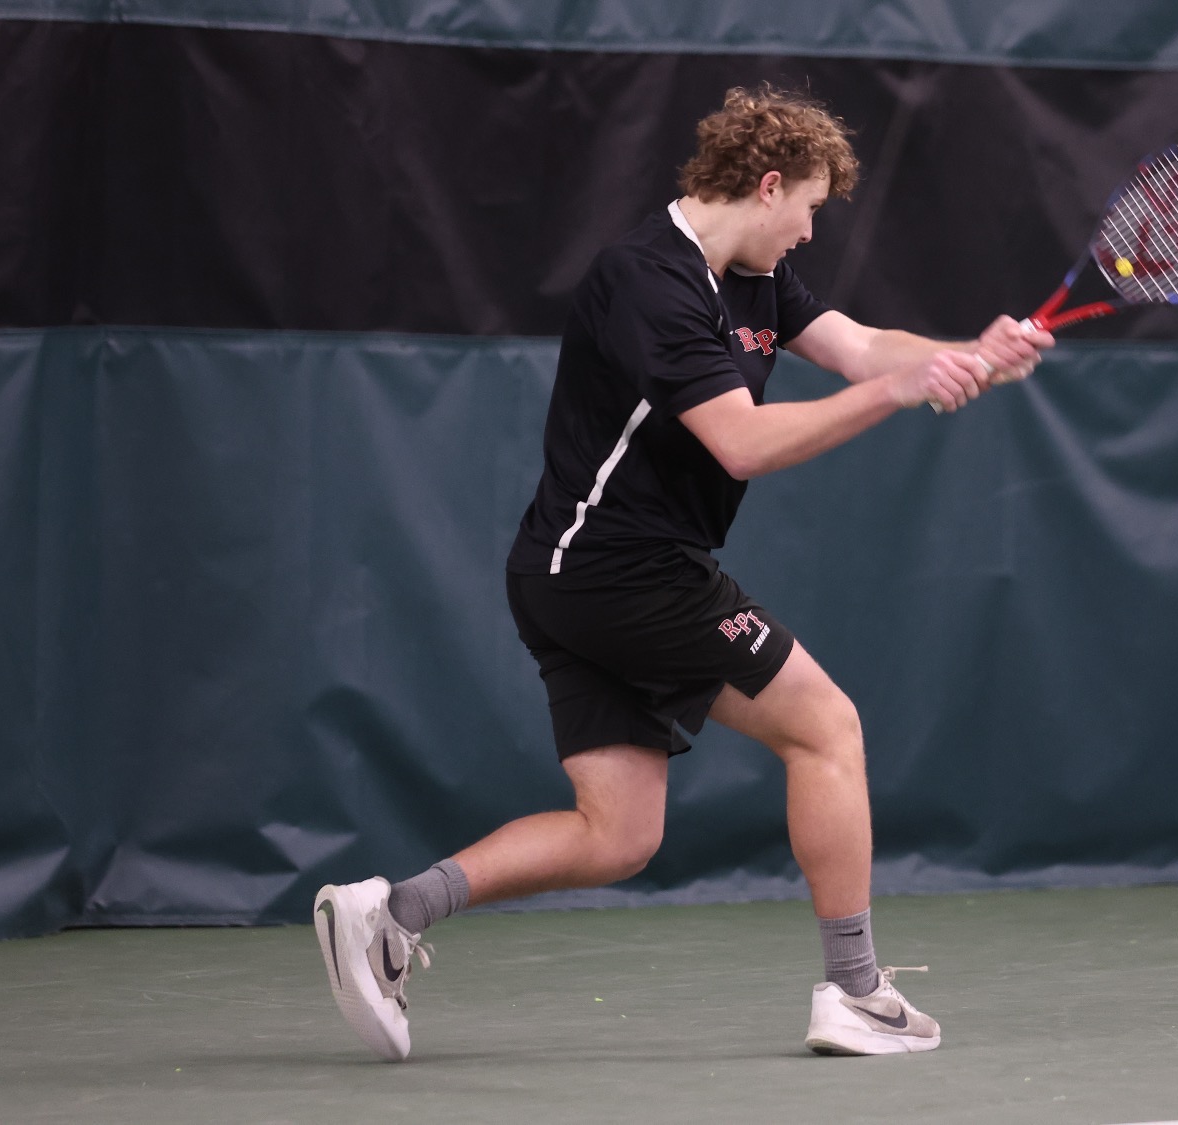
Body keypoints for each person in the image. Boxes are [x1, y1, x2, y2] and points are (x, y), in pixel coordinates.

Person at [313, 84, 1052, 1062]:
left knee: (617, 835)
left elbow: (862, 346)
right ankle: (855, 991)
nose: (809, 233)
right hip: (622, 570)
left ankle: (390, 913)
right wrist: (897, 394)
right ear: (768, 184)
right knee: (826, 727)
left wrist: (970, 355)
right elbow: (742, 442)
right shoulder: (647, 279)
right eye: (809, 209)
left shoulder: (755, 275)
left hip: (570, 576)